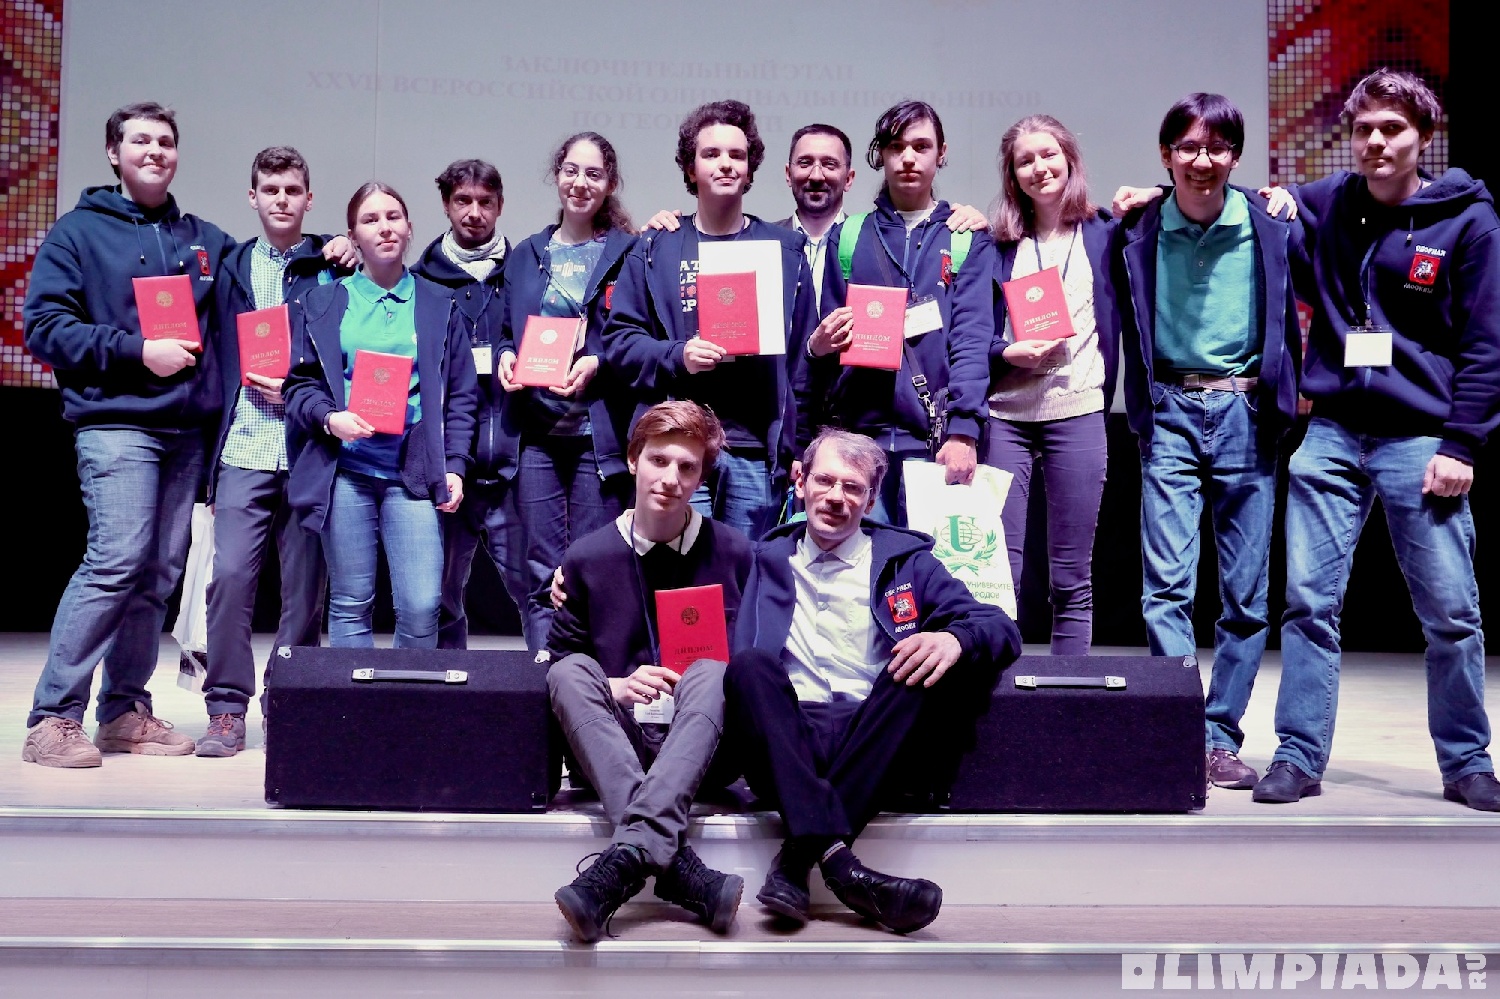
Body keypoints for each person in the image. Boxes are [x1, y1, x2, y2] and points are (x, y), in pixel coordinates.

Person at [1256, 70, 1500, 811]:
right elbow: (1244, 200)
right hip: (1331, 430)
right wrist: (1146, 198)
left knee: (1450, 613)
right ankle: (1298, 756)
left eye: (1391, 129)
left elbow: (1486, 344)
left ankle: (1467, 763)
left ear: (1424, 136)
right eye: (1363, 129)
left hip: (1420, 438)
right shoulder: (1330, 201)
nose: (1374, 143)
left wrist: (1461, 445)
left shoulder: (1468, 221)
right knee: (1307, 605)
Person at [724, 429, 1020, 933]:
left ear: (871, 497)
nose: (835, 497)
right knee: (750, 667)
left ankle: (798, 861)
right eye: (825, 481)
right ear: (801, 482)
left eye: (852, 487)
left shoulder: (908, 562)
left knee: (914, 665)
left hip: (872, 738)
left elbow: (999, 628)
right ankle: (842, 869)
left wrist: (954, 639)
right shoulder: (761, 558)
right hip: (785, 739)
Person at [22, 102, 234, 767]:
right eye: (140, 140)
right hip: (116, 423)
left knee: (158, 574)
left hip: (185, 430)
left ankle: (123, 712)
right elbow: (44, 328)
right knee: (116, 560)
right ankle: (52, 718)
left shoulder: (202, 238)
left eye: (165, 141)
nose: (155, 150)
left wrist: (329, 248)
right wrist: (137, 350)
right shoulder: (77, 233)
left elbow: (267, 266)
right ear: (114, 153)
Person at [1112, 93, 1301, 792]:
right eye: (1188, 147)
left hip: (1247, 411)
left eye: (1217, 147)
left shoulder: (1268, 223)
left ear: (1235, 157)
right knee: (1165, 588)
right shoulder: (1136, 226)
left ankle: (1220, 736)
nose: (1202, 160)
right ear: (1166, 155)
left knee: (1245, 595)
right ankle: (1180, 729)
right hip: (1169, 410)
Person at [547, 401, 753, 943]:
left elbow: (753, 657)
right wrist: (616, 687)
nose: (671, 479)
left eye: (687, 467)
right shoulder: (587, 557)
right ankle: (678, 868)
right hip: (620, 743)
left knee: (714, 672)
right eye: (659, 461)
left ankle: (626, 859)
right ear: (633, 460)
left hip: (704, 746)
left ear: (702, 478)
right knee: (569, 673)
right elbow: (561, 658)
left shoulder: (735, 552)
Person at [603, 99, 816, 541]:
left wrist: (800, 444)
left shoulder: (783, 250)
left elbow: (803, 361)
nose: (725, 164)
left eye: (737, 155)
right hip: (676, 446)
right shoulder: (655, 247)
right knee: (675, 569)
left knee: (745, 569)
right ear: (690, 167)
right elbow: (620, 342)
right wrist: (677, 355)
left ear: (750, 168)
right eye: (711, 154)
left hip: (755, 450)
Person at [197, 146, 347, 757]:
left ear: (309, 199)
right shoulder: (230, 265)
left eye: (292, 190)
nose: (281, 199)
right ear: (252, 197)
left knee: (305, 592)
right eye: (270, 189)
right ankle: (225, 710)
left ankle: (290, 704)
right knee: (230, 578)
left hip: (308, 445)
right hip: (245, 445)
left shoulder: (331, 263)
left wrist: (345, 246)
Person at [283, 182, 479, 649]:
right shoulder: (322, 303)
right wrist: (331, 418)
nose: (384, 228)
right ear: (353, 236)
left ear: (410, 228)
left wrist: (455, 466)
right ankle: (357, 698)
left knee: (422, 604)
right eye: (370, 220)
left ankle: (406, 697)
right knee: (351, 601)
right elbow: (298, 386)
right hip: (346, 470)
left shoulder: (439, 304)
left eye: (393, 217)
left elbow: (462, 396)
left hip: (413, 473)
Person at [801, 101, 996, 526]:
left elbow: (971, 339)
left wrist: (964, 431)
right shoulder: (849, 236)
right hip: (857, 446)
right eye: (896, 147)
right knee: (861, 564)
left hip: (935, 442)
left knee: (929, 563)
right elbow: (829, 345)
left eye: (921, 146)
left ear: (941, 153)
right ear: (881, 155)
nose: (908, 158)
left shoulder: (964, 237)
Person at [495, 133, 637, 650]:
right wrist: (505, 357)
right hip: (536, 435)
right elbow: (506, 333)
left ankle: (589, 683)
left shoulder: (630, 252)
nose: (580, 183)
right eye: (571, 171)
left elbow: (641, 334)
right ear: (557, 175)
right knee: (540, 570)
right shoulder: (526, 255)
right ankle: (544, 676)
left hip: (598, 438)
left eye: (593, 174)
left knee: (591, 570)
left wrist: (600, 361)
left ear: (610, 183)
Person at [985, 115, 1120, 655]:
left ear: (1069, 160)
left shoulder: (1106, 233)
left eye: (1048, 155)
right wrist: (1005, 353)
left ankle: (1070, 693)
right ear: (1012, 175)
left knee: (1071, 577)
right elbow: (970, 331)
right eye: (1025, 160)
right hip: (1005, 415)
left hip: (1078, 408)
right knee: (998, 573)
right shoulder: (995, 244)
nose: (1039, 167)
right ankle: (994, 693)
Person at [410, 159, 528, 649]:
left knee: (536, 590)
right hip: (446, 467)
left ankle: (552, 685)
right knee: (439, 596)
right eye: (463, 200)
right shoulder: (419, 282)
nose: (474, 212)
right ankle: (448, 686)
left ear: (500, 205)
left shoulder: (525, 273)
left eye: (485, 202)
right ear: (445, 204)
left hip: (515, 465)